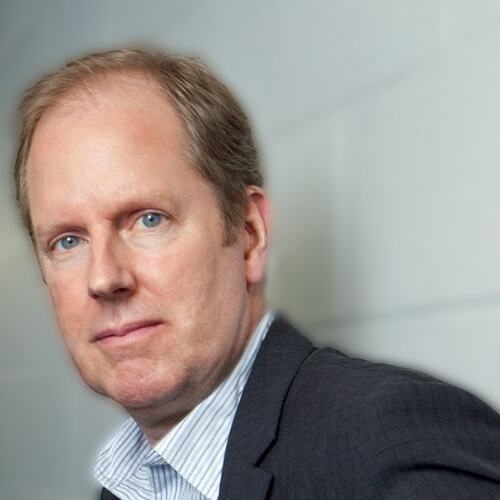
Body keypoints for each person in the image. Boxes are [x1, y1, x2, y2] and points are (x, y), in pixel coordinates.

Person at [13, 48, 500, 500]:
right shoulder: (125, 487)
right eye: (67, 241)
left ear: (249, 234)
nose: (104, 279)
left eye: (149, 219)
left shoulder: (393, 443)